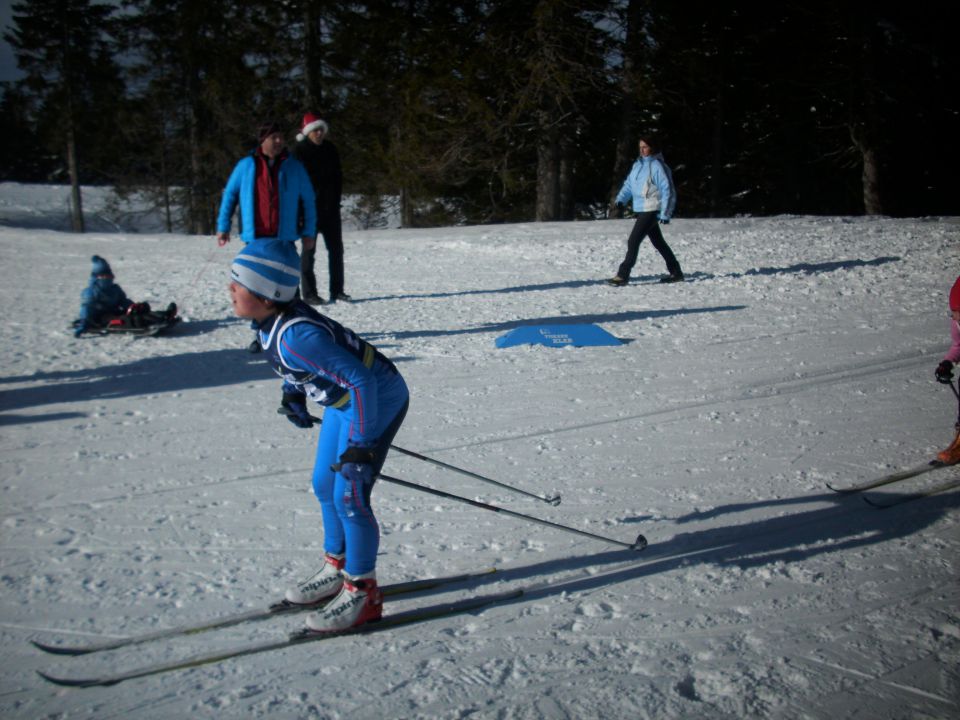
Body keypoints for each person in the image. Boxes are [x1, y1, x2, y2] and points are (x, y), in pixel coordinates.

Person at [228, 239, 409, 632]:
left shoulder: (296, 336)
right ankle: (337, 567)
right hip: (344, 401)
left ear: (267, 294)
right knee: (324, 484)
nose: (231, 289)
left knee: (350, 494)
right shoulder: (268, 325)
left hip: (375, 398)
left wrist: (361, 447)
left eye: (238, 283)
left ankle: (363, 592)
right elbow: (301, 367)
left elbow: (362, 381)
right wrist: (293, 392)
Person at [217, 121, 317, 351]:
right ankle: (261, 334)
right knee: (255, 291)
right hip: (256, 240)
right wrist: (223, 226)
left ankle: (297, 333)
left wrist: (309, 232)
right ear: (263, 140)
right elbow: (230, 195)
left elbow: (308, 200)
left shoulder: (294, 167)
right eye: (275, 137)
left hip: (284, 238)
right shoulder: (245, 166)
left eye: (282, 137)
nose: (280, 141)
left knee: (288, 288)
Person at [608, 136, 684, 286]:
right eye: (640, 147)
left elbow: (667, 190)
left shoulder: (657, 166)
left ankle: (623, 275)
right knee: (658, 242)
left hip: (652, 208)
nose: (642, 150)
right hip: (643, 208)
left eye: (645, 147)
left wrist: (665, 213)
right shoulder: (638, 165)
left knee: (633, 240)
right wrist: (621, 199)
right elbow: (629, 184)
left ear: (653, 147)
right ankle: (676, 272)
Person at [293, 112, 348, 304]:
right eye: (315, 130)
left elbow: (338, 176)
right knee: (309, 252)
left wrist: (336, 199)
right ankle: (309, 293)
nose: (319, 133)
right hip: (309, 212)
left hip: (331, 209)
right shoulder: (299, 152)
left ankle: (337, 290)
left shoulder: (330, 149)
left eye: (321, 130)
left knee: (336, 250)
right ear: (308, 132)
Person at [72, 255, 177, 336]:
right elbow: (86, 308)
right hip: (100, 318)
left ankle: (164, 315)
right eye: (104, 276)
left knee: (138, 312)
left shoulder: (114, 289)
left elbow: (123, 301)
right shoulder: (91, 292)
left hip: (114, 311)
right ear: (96, 278)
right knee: (127, 319)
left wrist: (133, 306)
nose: (107, 278)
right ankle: (152, 322)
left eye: (109, 276)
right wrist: (84, 323)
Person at [934, 275, 960, 465]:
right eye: (953, 312)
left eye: (958, 311)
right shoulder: (957, 323)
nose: (954, 316)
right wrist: (947, 363)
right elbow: (959, 345)